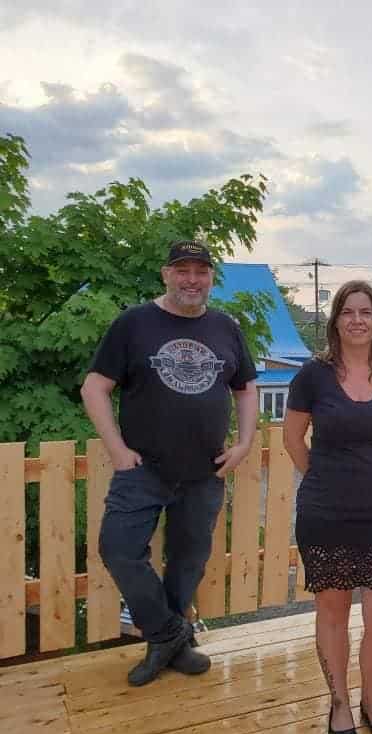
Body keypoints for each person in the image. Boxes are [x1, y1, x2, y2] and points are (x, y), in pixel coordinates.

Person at [80, 240, 258, 687]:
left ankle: (167, 646)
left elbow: (246, 388)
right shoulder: (133, 323)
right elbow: (94, 388)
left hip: (205, 472)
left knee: (188, 561)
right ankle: (169, 633)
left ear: (211, 278)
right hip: (142, 470)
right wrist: (117, 450)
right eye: (182, 270)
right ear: (166, 274)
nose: (191, 280)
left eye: (201, 271)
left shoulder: (225, 327)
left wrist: (244, 443)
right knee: (118, 550)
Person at [283, 280, 372, 734]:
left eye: (366, 312)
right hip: (325, 512)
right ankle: (339, 702)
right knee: (333, 611)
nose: (357, 320)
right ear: (335, 320)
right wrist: (324, 477)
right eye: (348, 311)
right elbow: (292, 439)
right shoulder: (312, 376)